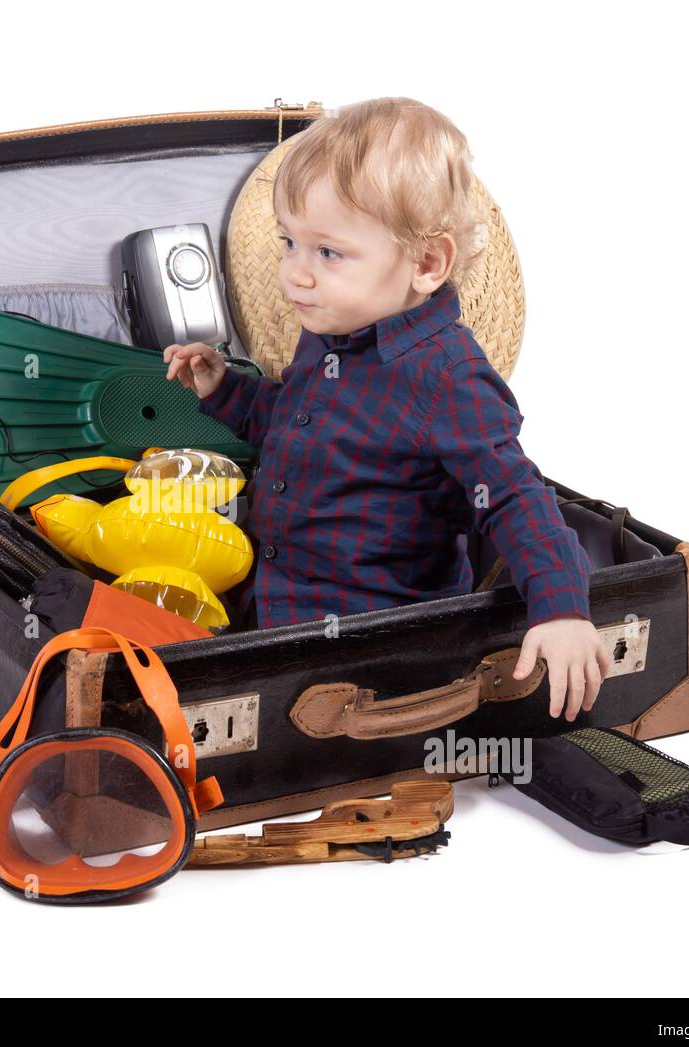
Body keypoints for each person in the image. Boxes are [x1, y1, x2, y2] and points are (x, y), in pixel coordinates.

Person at [164, 97, 610, 721]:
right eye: (290, 242)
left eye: (329, 253)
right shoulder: (331, 329)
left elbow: (514, 496)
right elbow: (296, 428)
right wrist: (228, 392)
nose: (295, 273)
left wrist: (562, 609)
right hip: (274, 606)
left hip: (371, 654)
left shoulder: (449, 381)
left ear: (426, 263)